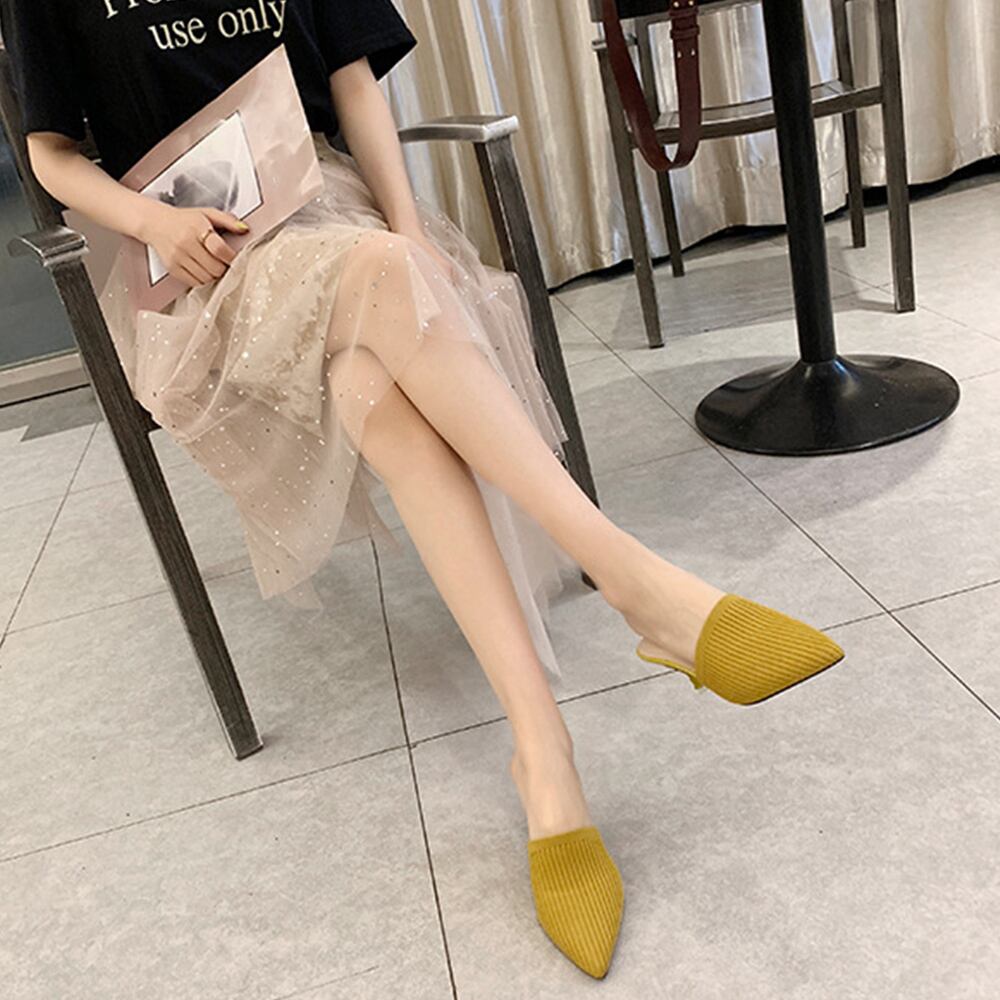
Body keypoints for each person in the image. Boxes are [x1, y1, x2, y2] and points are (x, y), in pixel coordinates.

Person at [3, 0, 845, 979]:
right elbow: (50, 154)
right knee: (382, 290)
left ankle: (544, 755)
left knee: (383, 390)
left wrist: (412, 240)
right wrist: (153, 220)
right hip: (195, 268)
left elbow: (352, 81)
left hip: (329, 210)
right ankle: (631, 581)